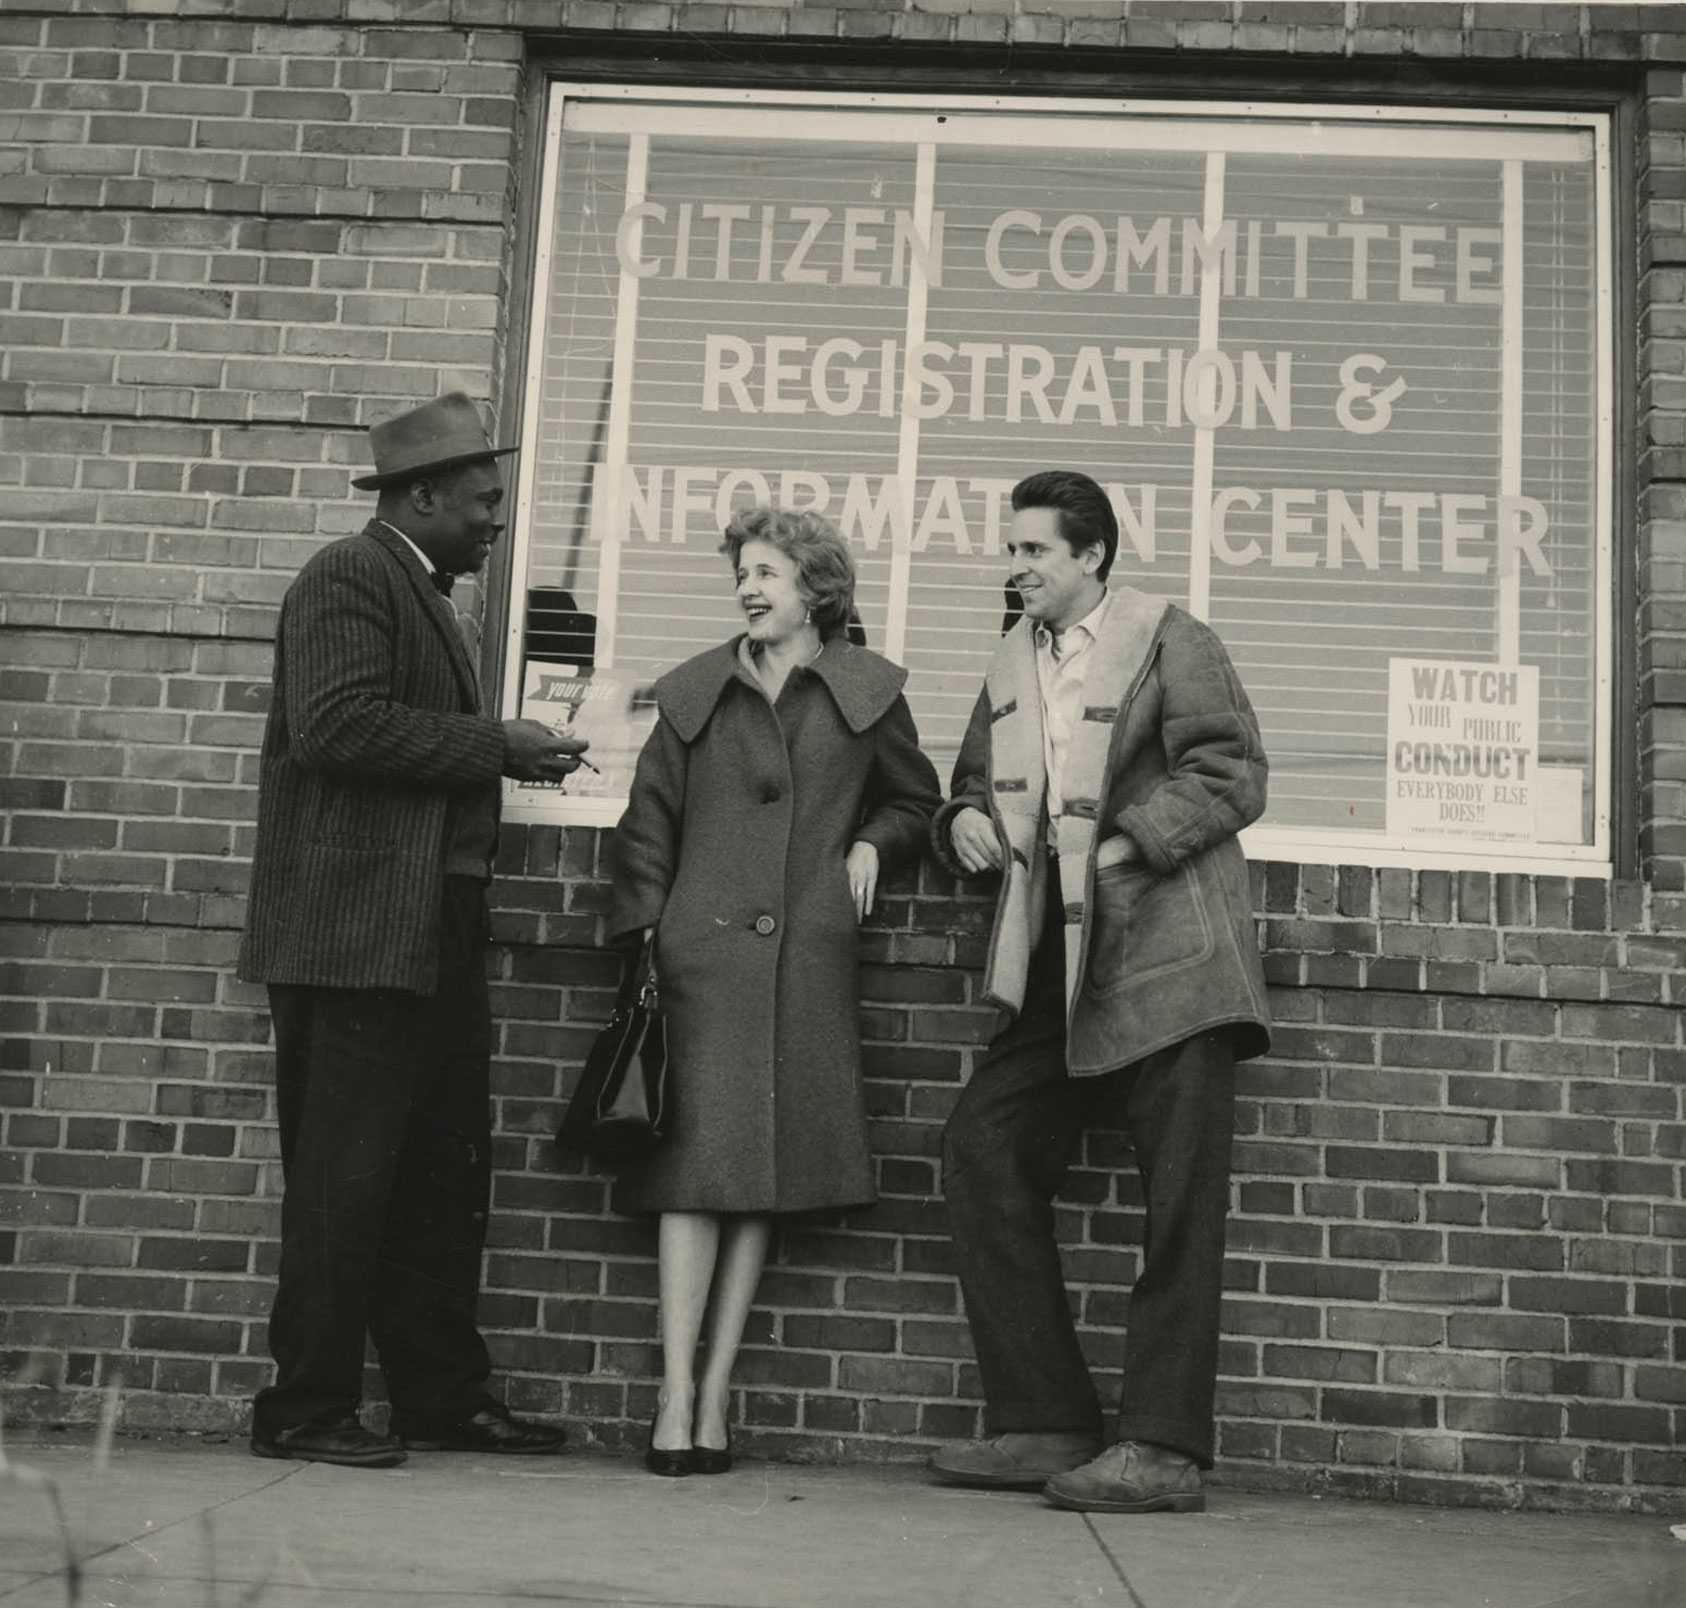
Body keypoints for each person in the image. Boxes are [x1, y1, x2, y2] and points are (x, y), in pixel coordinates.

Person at [238, 392, 589, 1468]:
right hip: (352, 943)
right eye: (482, 501)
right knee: (346, 1184)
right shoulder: (349, 575)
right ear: (422, 496)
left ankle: (440, 1398)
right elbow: (338, 725)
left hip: (422, 931)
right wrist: (498, 746)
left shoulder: (418, 588)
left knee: (438, 1177)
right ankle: (304, 1412)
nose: (496, 518)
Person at [926, 469, 1272, 1514]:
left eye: (1035, 550)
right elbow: (968, 787)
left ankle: (1163, 1452)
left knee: (1179, 1211)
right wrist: (962, 825)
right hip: (1055, 975)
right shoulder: (1009, 663)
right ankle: (1043, 1421)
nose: (1015, 566)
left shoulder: (1174, 639)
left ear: (1092, 558)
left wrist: (1128, 842)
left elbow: (1231, 771)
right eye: (1012, 548)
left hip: (1171, 965)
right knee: (981, 1150)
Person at [605, 506, 941, 1477]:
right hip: (697, 966)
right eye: (743, 573)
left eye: (769, 573)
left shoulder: (867, 694)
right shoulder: (694, 693)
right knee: (690, 1180)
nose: (750, 588)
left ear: (818, 590)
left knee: (760, 1180)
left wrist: (875, 844)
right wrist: (645, 938)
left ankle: (715, 1400)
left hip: (804, 962)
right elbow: (645, 827)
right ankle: (674, 1397)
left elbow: (912, 798)